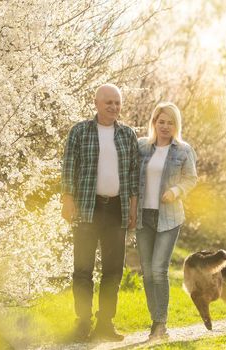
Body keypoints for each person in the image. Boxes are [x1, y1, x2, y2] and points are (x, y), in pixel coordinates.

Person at [61, 83, 139, 342]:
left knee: (113, 270)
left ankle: (105, 323)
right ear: (96, 103)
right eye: (109, 102)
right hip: (87, 207)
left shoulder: (127, 135)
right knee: (82, 268)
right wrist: (67, 200)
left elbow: (133, 174)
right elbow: (69, 167)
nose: (114, 107)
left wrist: (133, 207)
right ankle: (82, 323)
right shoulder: (80, 131)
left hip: (116, 208)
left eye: (117, 103)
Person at [136, 102, 197, 339]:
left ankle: (160, 325)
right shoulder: (142, 147)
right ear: (154, 122)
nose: (165, 126)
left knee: (158, 270)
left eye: (170, 122)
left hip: (169, 218)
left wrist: (175, 191)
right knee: (147, 272)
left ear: (176, 125)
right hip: (144, 215)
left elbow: (191, 179)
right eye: (161, 121)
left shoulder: (183, 150)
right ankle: (156, 320)